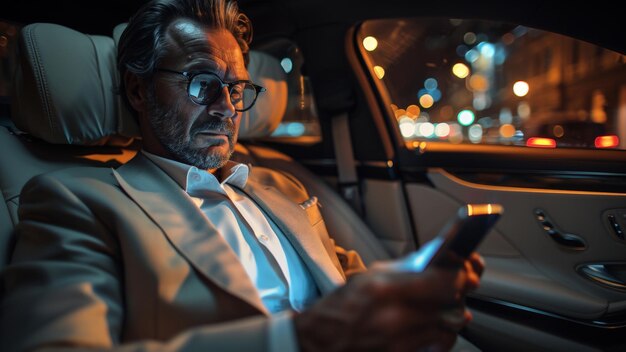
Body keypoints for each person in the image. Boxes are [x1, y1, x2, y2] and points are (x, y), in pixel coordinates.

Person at [0, 0, 484, 351]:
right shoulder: (75, 200)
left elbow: (346, 278)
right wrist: (304, 338)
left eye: (235, 89)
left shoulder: (282, 188)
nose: (227, 108)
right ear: (138, 91)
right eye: (202, 83)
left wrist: (412, 289)